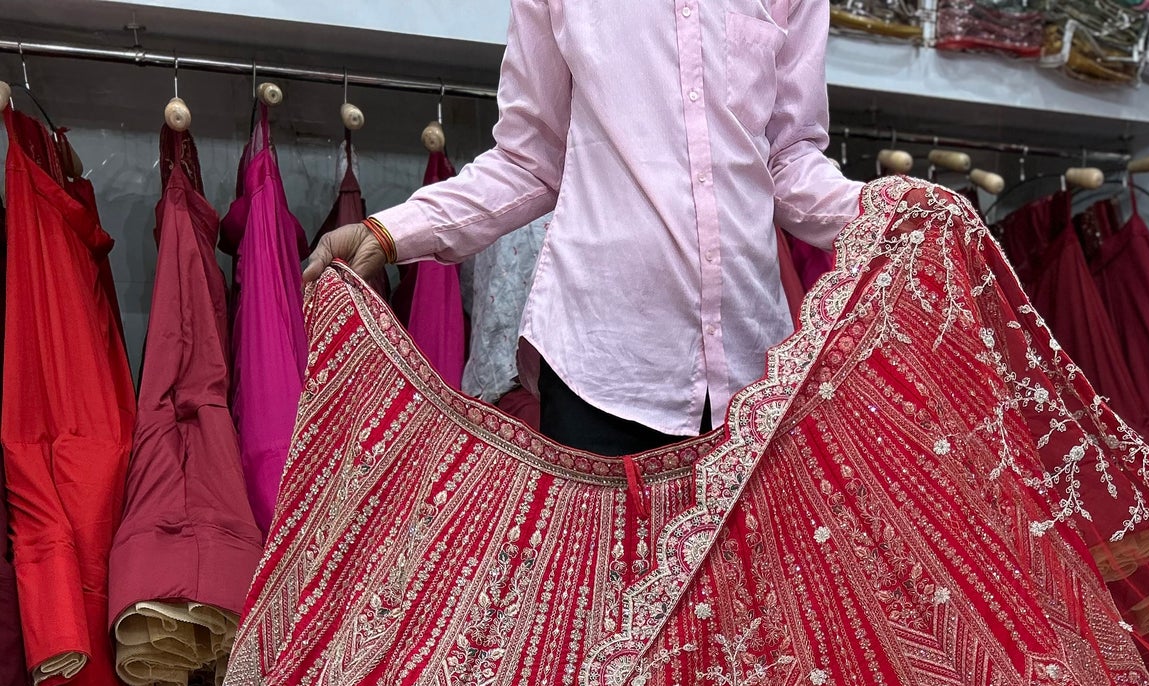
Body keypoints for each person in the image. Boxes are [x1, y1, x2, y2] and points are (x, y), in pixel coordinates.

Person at [304, 0, 861, 455]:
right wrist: (392, 231)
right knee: (597, 567)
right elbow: (528, 161)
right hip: (600, 372)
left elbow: (789, 160)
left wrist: (890, 212)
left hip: (754, 373)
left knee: (754, 567)